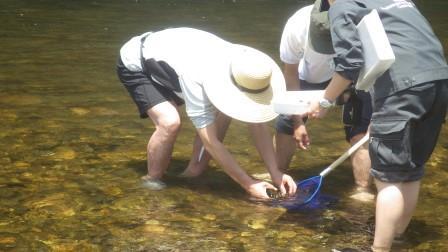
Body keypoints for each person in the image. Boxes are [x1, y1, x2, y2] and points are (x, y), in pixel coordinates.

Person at [304, 0, 448, 251]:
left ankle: (379, 249)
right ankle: (398, 237)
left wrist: (325, 101)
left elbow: (350, 63)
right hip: (439, 82)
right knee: (411, 169)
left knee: (388, 179)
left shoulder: (342, 6)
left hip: (402, 88)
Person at [116, 27, 297, 199]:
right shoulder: (198, 77)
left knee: (222, 119)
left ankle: (192, 173)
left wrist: (276, 173)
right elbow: (210, 142)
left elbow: (257, 123)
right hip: (138, 63)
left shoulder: (246, 67)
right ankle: (151, 180)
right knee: (169, 122)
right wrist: (248, 184)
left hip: (172, 61)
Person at [275, 2, 373, 201]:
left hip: (354, 74)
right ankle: (277, 173)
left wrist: (376, 116)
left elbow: (377, 69)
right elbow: (290, 75)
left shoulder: (363, 21)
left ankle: (363, 191)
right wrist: (298, 121)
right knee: (286, 121)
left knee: (361, 130)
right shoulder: (297, 25)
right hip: (309, 78)